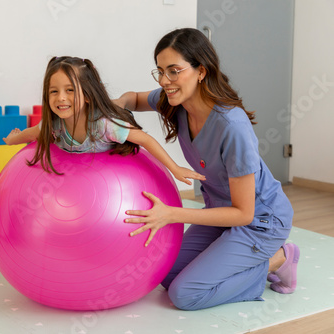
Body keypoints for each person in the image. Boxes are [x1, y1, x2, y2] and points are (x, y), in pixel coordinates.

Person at [115, 28, 299, 311]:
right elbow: (134, 99)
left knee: (185, 295)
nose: (165, 81)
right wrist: (113, 106)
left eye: (174, 71)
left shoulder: (232, 126)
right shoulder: (174, 102)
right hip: (221, 215)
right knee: (165, 272)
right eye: (160, 72)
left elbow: (244, 213)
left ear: (201, 71)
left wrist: (171, 214)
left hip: (260, 221)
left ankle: (280, 259)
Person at [3, 56, 205, 185]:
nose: (61, 98)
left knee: (117, 111)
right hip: (77, 177)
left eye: (70, 90)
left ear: (88, 95)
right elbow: (32, 133)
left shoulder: (104, 125)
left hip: (109, 172)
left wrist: (175, 167)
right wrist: (13, 139)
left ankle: (123, 102)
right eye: (53, 91)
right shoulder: (54, 125)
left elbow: (144, 139)